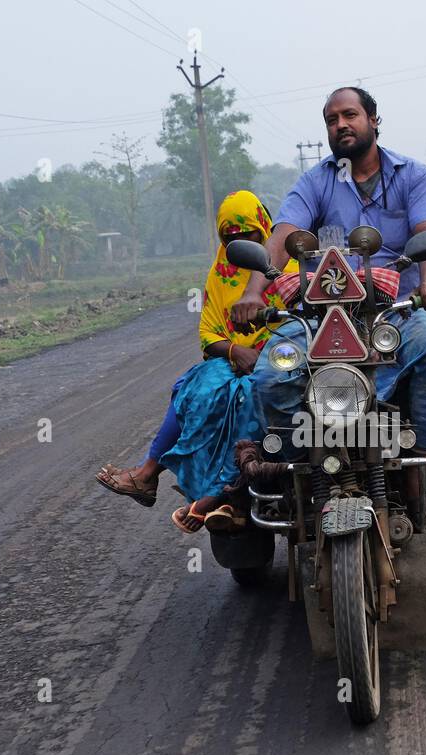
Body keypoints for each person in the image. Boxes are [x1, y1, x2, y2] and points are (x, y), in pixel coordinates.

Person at [231, 87, 426, 459]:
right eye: (331, 120)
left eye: (349, 115)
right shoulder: (315, 182)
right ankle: (300, 475)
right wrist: (252, 293)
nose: (340, 124)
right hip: (318, 318)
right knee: (271, 375)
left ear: (373, 120)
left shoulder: (415, 176)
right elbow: (282, 236)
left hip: (396, 313)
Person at [95, 190, 295, 533]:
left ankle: (218, 495)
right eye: (230, 238)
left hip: (279, 357)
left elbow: (305, 323)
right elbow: (208, 332)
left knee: (249, 396)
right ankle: (149, 475)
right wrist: (236, 351)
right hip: (232, 356)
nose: (239, 245)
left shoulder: (289, 268)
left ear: (263, 230)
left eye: (247, 236)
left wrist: (264, 351)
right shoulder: (220, 271)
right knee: (194, 390)